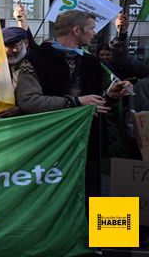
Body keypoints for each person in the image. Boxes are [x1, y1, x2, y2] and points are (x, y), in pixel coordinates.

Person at [15, 10, 132, 198]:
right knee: (58, 199)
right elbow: (28, 101)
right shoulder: (35, 61)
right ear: (77, 30)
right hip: (52, 146)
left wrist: (111, 95)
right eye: (92, 29)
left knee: (95, 193)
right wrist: (75, 102)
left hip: (90, 144)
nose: (94, 33)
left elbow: (97, 104)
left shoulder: (91, 62)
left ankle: (106, 228)